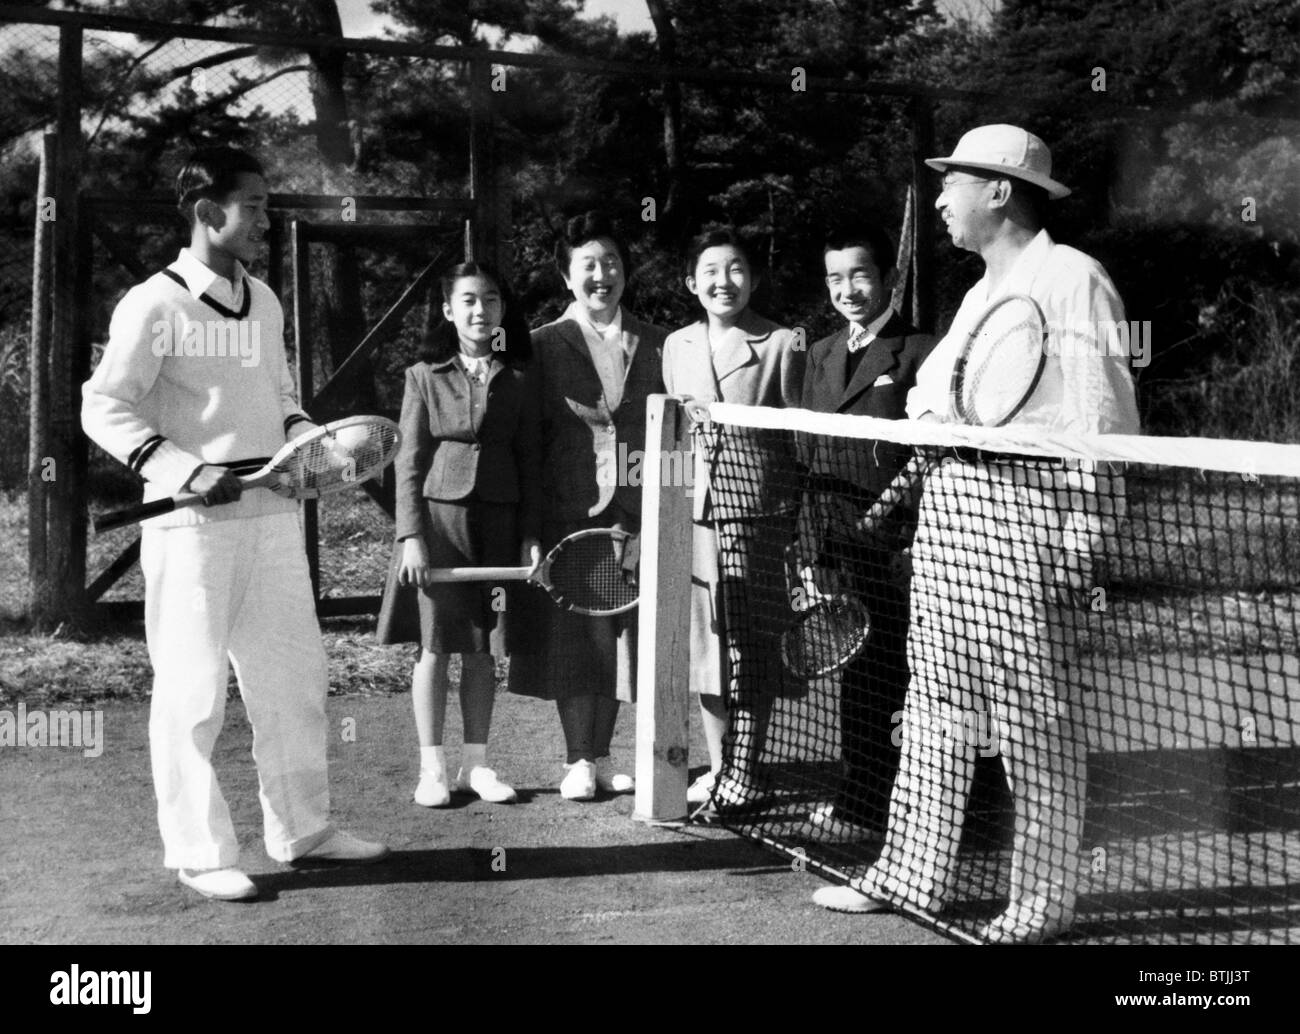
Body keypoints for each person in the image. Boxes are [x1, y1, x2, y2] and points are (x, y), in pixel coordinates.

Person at [841, 124, 1139, 942]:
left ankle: (1043, 901)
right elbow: (941, 403)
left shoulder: (1075, 278)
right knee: (933, 702)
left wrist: (1086, 536)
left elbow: (1102, 411)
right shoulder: (977, 292)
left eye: (952, 184)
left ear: (999, 189)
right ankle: (912, 873)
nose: (938, 200)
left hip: (1029, 520)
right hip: (950, 519)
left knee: (1032, 717)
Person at [81, 147, 389, 903]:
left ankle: (304, 828)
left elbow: (280, 396)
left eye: (264, 204)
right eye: (251, 205)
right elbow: (104, 404)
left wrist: (307, 447)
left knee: (294, 681)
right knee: (193, 694)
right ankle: (198, 852)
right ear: (205, 212)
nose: (264, 218)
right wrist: (184, 469)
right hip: (193, 532)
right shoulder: (152, 304)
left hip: (273, 518)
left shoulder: (268, 300)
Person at [792, 225, 935, 912]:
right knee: (863, 677)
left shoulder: (920, 351)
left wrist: (907, 535)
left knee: (919, 687)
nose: (849, 291)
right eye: (836, 280)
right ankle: (862, 799)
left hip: (903, 548)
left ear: (885, 278)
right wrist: (813, 550)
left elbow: (927, 458)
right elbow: (809, 458)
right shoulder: (818, 355)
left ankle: (951, 817)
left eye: (861, 276)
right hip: (840, 546)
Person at [509, 211, 668, 801]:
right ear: (567, 276)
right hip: (571, 511)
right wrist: (530, 527)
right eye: (588, 266)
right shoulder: (543, 345)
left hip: (643, 506)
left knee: (631, 636)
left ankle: (611, 758)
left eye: (612, 263)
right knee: (581, 635)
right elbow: (528, 441)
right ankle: (580, 760)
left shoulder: (659, 341)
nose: (602, 276)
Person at [375, 262, 541, 808]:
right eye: (468, 300)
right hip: (438, 530)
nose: (480, 311)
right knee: (434, 648)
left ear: (501, 311)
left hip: (498, 528)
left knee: (481, 651)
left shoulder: (518, 378)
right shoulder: (423, 377)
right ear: (448, 310)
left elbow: (527, 460)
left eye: (490, 301)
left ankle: (477, 764)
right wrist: (410, 537)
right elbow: (408, 462)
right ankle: (432, 770)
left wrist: (530, 537)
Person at [662, 226, 806, 812]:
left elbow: (802, 434)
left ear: (754, 277)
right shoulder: (675, 346)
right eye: (712, 271)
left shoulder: (782, 343)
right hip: (693, 516)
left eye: (738, 268)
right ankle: (721, 766)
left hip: (757, 513)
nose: (726, 282)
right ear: (693, 283)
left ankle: (746, 768)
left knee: (749, 641)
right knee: (705, 645)